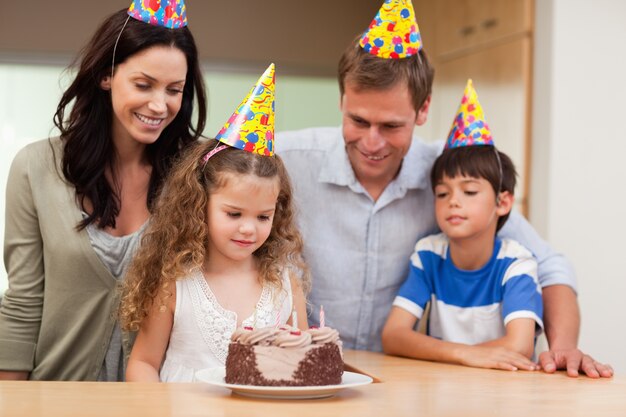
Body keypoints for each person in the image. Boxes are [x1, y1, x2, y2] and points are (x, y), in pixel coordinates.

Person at [276, 0, 612, 377]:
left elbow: (550, 267)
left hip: (403, 377)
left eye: (391, 126)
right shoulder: (286, 159)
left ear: (423, 111)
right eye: (358, 120)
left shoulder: (448, 175)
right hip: (303, 369)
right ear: (341, 101)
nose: (372, 142)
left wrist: (563, 348)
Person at [0, 0, 207, 381]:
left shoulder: (199, 172)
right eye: (143, 85)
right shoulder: (35, 167)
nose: (159, 105)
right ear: (106, 76)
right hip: (56, 398)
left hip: (162, 403)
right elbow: (23, 303)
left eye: (174, 90)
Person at [120, 65, 309, 382]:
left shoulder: (285, 285)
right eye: (234, 214)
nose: (249, 228)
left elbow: (302, 363)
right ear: (200, 205)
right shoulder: (176, 282)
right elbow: (143, 364)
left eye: (263, 216)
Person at [382, 80, 543, 371]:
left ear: (503, 203)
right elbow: (393, 335)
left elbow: (520, 345)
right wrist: (465, 354)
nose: (453, 202)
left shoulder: (516, 263)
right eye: (442, 193)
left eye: (469, 192)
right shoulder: (429, 254)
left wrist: (450, 354)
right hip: (444, 389)